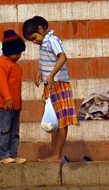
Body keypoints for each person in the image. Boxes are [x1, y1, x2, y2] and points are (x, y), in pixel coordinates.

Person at [22, 16, 79, 163]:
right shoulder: (43, 44)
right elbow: (46, 60)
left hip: (59, 84)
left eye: (34, 38)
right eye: (32, 40)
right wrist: (39, 72)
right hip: (50, 87)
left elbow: (62, 57)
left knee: (62, 122)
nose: (35, 42)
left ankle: (58, 155)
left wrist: (52, 75)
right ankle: (54, 154)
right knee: (54, 122)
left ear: (41, 29)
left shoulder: (52, 40)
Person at [0, 30, 27, 165]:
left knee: (14, 131)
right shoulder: (2, 64)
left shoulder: (15, 66)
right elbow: (1, 84)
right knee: (4, 130)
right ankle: (3, 155)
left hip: (15, 105)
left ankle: (13, 153)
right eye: (16, 53)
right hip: (5, 105)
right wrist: (8, 98)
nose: (19, 56)